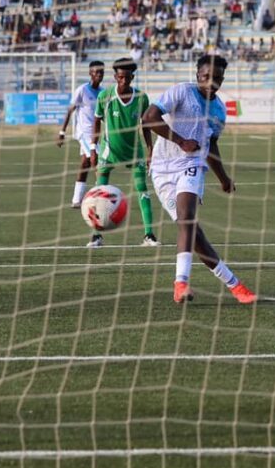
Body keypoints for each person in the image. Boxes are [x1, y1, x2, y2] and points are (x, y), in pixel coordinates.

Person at [143, 54, 252, 306]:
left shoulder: (219, 110)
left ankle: (181, 283)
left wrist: (223, 178)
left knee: (187, 219)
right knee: (193, 232)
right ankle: (234, 284)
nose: (212, 83)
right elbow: (148, 118)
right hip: (162, 169)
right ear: (197, 76)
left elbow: (211, 144)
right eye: (206, 77)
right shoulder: (181, 92)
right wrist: (181, 141)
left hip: (192, 164)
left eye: (218, 78)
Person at [91, 57, 157, 249]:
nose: (124, 81)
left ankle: (149, 234)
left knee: (142, 190)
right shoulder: (105, 96)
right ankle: (96, 236)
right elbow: (96, 121)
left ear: (132, 77)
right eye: (120, 77)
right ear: (115, 77)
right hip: (108, 152)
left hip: (134, 152)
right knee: (99, 192)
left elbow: (146, 125)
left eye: (127, 77)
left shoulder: (141, 98)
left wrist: (150, 150)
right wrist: (93, 147)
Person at [57, 60, 106, 208]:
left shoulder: (103, 92)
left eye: (101, 72)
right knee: (97, 162)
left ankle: (76, 200)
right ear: (90, 73)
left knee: (85, 163)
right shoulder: (82, 90)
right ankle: (101, 198)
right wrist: (62, 132)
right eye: (96, 72)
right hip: (84, 133)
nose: (99, 75)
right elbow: (70, 110)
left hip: (95, 134)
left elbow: (102, 115)